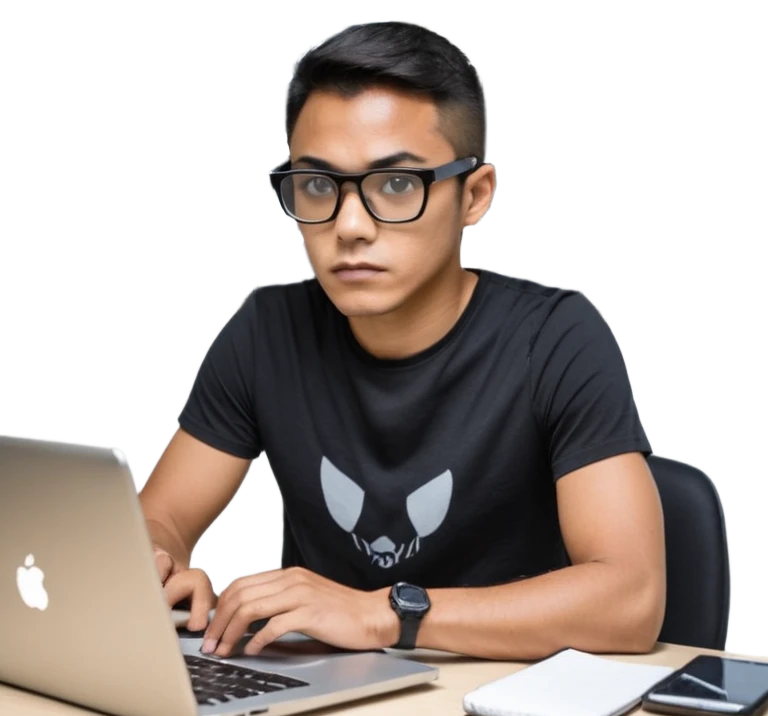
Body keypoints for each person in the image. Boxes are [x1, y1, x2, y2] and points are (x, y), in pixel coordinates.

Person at [138, 19, 666, 662]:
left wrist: (383, 614)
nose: (350, 225)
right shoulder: (268, 330)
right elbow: (159, 520)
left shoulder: (553, 336)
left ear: (474, 196)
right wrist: (154, 571)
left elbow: (630, 600)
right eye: (317, 184)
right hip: (323, 700)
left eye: (395, 185)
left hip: (500, 700)